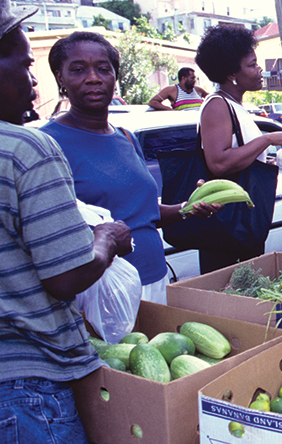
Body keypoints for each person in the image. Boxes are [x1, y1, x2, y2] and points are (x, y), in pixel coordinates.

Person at [0, 0, 133, 444]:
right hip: (27, 387)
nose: (29, 78)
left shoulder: (120, 136)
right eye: (25, 62)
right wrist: (102, 240)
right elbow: (64, 277)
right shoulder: (28, 149)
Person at [42, 31, 218, 304]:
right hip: (99, 291)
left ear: (115, 77)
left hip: (154, 278)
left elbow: (144, 213)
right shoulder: (48, 144)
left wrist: (187, 209)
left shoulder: (125, 137)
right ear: (60, 79)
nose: (93, 78)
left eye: (103, 69)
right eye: (78, 69)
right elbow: (48, 234)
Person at [195, 24, 282, 273]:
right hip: (227, 227)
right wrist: (267, 140)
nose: (260, 69)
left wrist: (264, 162)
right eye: (252, 65)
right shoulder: (217, 105)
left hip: (241, 224)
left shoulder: (235, 106)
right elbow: (218, 163)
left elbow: (240, 157)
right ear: (231, 74)